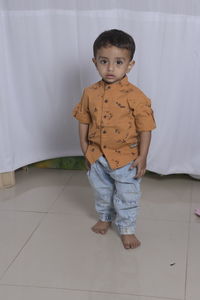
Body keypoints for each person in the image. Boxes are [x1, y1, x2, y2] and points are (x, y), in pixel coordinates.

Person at [73, 29, 156, 249]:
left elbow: (145, 128)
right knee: (102, 191)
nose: (110, 68)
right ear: (95, 62)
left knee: (127, 194)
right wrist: (84, 146)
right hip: (97, 155)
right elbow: (83, 119)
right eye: (104, 61)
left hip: (126, 158)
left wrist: (143, 156)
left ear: (130, 65)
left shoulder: (136, 97)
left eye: (118, 62)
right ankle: (105, 217)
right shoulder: (89, 92)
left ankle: (127, 228)